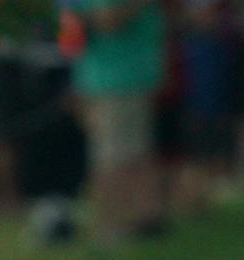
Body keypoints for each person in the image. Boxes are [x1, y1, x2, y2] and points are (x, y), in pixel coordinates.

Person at [61, 0, 166, 244]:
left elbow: (110, 19)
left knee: (114, 159)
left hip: (121, 81)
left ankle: (112, 225)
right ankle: (142, 220)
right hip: (100, 79)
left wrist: (78, 17)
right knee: (125, 155)